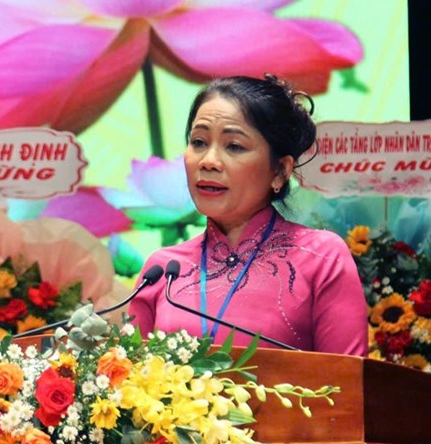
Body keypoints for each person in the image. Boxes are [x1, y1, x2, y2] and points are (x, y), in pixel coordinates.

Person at [127, 75, 368, 355]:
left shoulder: (321, 258)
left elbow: (347, 386)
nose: (208, 161)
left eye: (234, 146)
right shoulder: (163, 272)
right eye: (199, 142)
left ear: (280, 171)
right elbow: (126, 381)